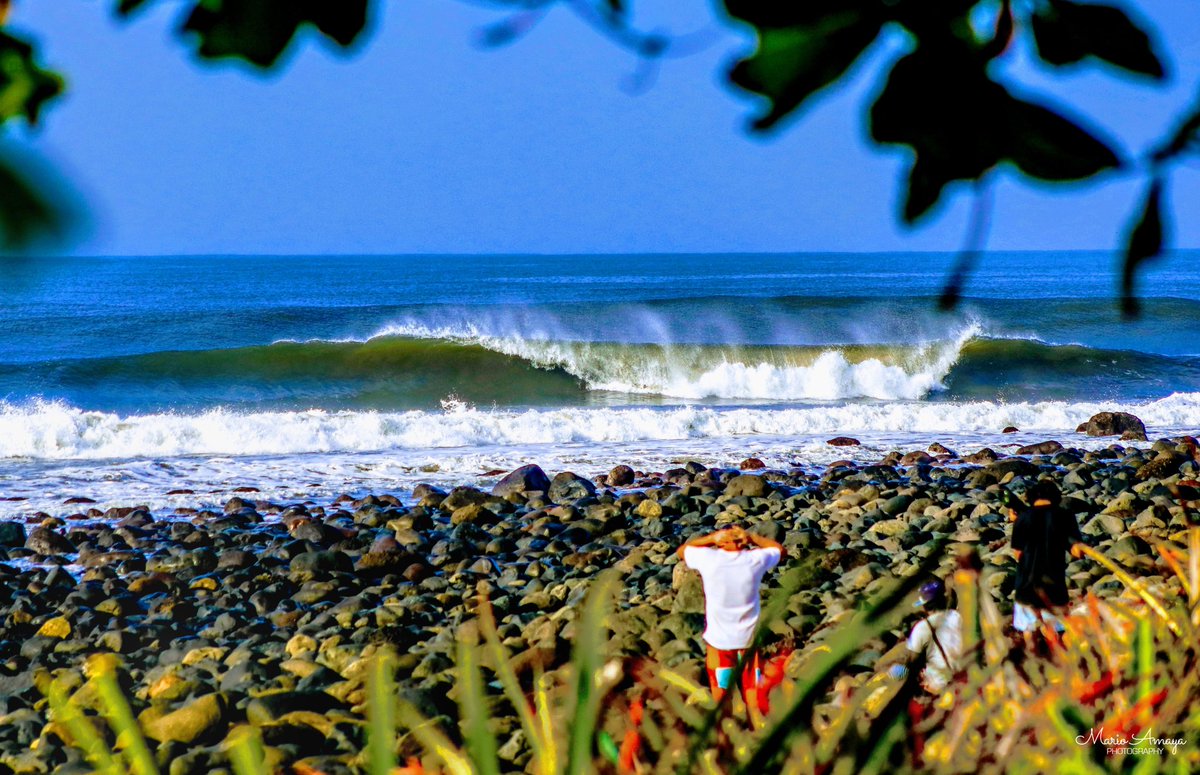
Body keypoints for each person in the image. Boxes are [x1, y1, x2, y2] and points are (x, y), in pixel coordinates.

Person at [676, 525, 784, 717]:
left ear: (722, 542)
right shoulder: (754, 560)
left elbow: (682, 551)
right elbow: (779, 550)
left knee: (721, 697)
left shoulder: (709, 559)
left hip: (719, 644)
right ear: (742, 542)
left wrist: (711, 538)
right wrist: (751, 537)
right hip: (748, 642)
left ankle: (725, 737)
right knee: (753, 696)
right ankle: (756, 733)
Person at [1009, 479, 1084, 637]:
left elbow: (1018, 554)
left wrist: (1017, 522)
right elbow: (1077, 552)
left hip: (1026, 589)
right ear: (1056, 497)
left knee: (1028, 640)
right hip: (1054, 590)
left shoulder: (1023, 518)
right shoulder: (1065, 516)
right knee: (1056, 639)